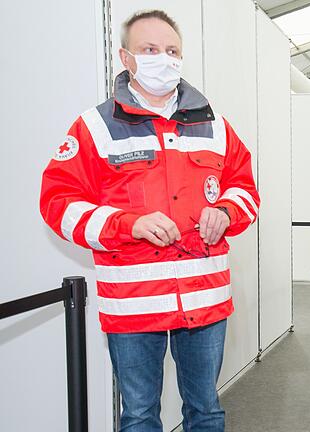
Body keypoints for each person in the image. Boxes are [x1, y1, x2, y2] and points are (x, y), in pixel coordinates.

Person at [40, 10, 260, 431]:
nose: (164, 59)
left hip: (204, 300)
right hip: (135, 303)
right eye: (150, 50)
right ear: (126, 58)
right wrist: (127, 224)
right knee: (139, 415)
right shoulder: (95, 128)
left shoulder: (215, 126)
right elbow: (58, 202)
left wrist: (227, 211)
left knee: (207, 411)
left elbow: (246, 190)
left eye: (172, 50)